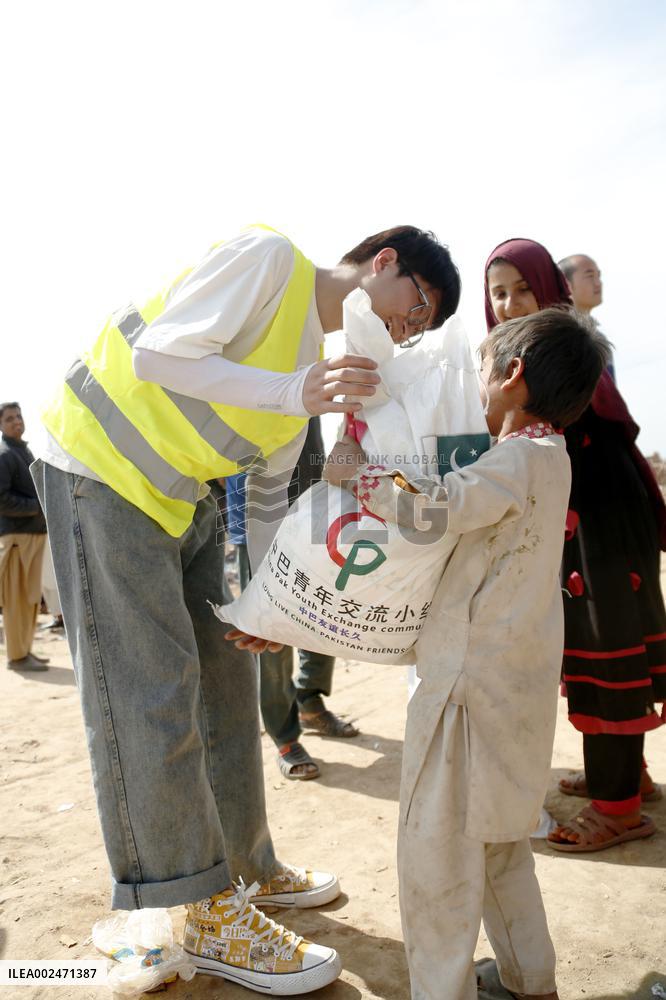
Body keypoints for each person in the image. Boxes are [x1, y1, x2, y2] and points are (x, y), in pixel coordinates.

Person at [32, 223, 461, 995]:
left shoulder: (314, 376)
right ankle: (199, 907)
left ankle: (246, 869)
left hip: (178, 496)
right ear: (386, 261)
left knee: (227, 675)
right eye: (416, 306)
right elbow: (157, 354)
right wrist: (294, 391)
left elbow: (264, 500)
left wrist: (267, 607)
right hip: (99, 468)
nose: (407, 328)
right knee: (150, 694)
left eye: (419, 328)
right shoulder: (272, 262)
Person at [323, 307, 610, 999]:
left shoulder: (514, 460)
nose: (474, 386)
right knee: (502, 852)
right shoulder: (552, 460)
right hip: (516, 698)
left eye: (482, 372)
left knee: (437, 861)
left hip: (463, 697)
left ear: (512, 377)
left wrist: (356, 474)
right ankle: (529, 982)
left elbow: (433, 511)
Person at [484, 238, 666, 854]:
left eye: (523, 289)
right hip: (588, 511)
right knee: (603, 643)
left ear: (549, 290)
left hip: (600, 521)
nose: (509, 304)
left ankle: (618, 810)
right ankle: (628, 777)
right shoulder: (538, 351)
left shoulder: (554, 353)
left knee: (606, 646)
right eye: (499, 292)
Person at [227, 418, 358, 781]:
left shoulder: (306, 363)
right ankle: (284, 736)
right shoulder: (243, 369)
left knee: (323, 607)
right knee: (272, 625)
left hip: (313, 500)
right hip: (259, 509)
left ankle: (310, 702)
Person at [0, 402, 49, 672]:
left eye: (18, 416)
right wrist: (37, 506)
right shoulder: (5, 455)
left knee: (29, 598)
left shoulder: (23, 451)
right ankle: (17, 657)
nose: (16, 421)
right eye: (9, 418)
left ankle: (25, 651)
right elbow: (2, 500)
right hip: (18, 538)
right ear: (1, 425)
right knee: (16, 599)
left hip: (33, 536)